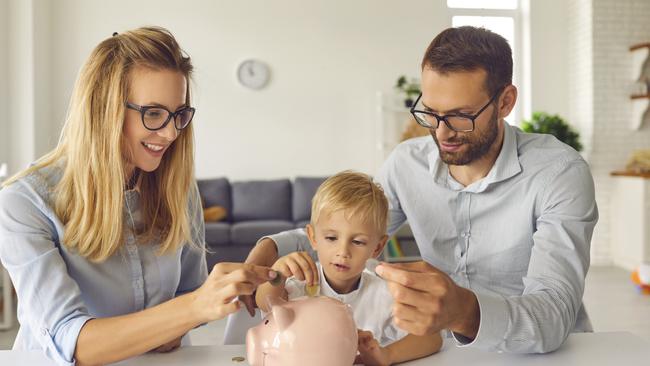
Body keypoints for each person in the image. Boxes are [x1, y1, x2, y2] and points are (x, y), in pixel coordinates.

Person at [244, 26, 598, 354]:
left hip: (544, 355)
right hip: (442, 352)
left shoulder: (559, 173)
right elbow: (348, 230)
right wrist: (271, 245)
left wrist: (465, 312)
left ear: (505, 102)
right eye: (431, 112)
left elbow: (554, 313)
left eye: (461, 116)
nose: (441, 134)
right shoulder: (406, 163)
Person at [0, 27, 275, 366]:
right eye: (153, 113)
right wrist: (189, 310)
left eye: (178, 114)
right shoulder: (23, 202)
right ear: (104, 110)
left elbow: (190, 291)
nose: (172, 132)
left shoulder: (178, 188)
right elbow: (69, 343)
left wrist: (197, 307)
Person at [255, 171, 441, 365]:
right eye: (331, 238)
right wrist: (277, 275)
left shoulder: (384, 291)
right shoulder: (302, 282)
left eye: (358, 241)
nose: (343, 251)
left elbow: (432, 337)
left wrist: (387, 354)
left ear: (377, 247)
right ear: (313, 237)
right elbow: (265, 302)